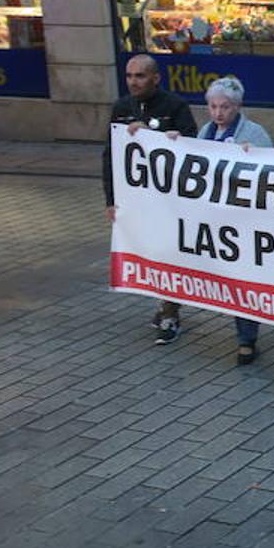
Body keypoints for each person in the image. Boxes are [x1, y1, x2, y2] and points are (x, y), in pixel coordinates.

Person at [104, 54, 199, 345]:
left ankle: (170, 312)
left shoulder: (175, 106)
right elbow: (111, 155)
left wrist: (159, 135)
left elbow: (193, 146)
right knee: (149, 253)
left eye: (140, 76)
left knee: (169, 252)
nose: (134, 81)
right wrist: (110, 198)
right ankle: (163, 303)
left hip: (170, 200)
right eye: (130, 76)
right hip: (137, 199)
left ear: (156, 78)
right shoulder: (121, 108)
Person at [197, 77, 274, 364]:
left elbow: (272, 174)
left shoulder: (255, 134)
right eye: (213, 106)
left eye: (225, 107)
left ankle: (246, 339)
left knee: (243, 281)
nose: (218, 113)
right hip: (214, 218)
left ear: (237, 106)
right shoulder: (205, 132)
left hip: (244, 221)